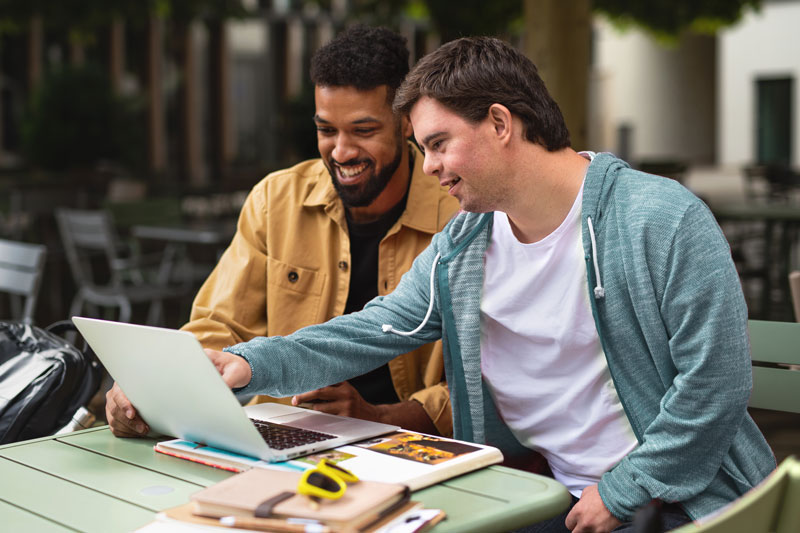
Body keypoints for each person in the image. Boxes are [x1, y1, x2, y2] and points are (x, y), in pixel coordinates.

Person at [203, 37, 776, 533]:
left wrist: (624, 488)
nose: (426, 166)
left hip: (676, 503)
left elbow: (715, 383)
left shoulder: (659, 218)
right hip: (539, 495)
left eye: (437, 143)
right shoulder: (467, 243)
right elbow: (374, 328)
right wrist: (250, 365)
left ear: (501, 123)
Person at [105, 25, 459, 439]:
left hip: (410, 450)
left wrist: (380, 418)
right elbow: (218, 325)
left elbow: (485, 381)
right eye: (326, 130)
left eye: (363, 131)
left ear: (406, 124)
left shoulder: (460, 215)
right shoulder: (277, 199)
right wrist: (154, 387)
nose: (341, 152)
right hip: (272, 441)